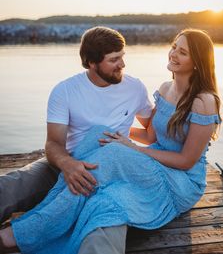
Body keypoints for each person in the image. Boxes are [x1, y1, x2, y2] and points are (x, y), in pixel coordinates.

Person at [0, 28, 222, 254]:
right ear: (92, 63)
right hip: (126, 162)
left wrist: (131, 148)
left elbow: (186, 161)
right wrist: (116, 135)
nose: (173, 54)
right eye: (174, 47)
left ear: (197, 62)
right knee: (100, 135)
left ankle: (22, 233)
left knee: (112, 154)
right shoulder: (165, 89)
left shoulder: (203, 101)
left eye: (182, 52)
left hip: (180, 180)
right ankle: (41, 220)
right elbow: (150, 136)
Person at [0, 26, 153, 254]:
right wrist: (68, 165)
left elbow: (152, 131)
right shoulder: (66, 91)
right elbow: (53, 144)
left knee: (104, 222)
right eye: (114, 60)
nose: (122, 64)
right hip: (65, 162)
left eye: (122, 57)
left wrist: (126, 139)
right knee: (13, 184)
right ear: (91, 62)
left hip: (112, 174)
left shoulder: (135, 88)